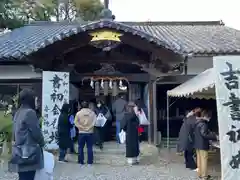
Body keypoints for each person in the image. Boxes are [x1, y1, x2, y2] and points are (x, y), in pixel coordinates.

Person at [9, 89, 44, 180]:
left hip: (19, 151)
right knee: (28, 177)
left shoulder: (18, 112)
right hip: (29, 152)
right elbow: (36, 133)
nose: (37, 102)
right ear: (30, 99)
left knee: (23, 177)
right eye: (36, 99)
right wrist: (42, 143)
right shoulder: (30, 112)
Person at [194, 109, 218, 180]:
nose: (209, 119)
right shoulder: (204, 124)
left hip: (197, 144)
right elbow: (204, 134)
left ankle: (200, 174)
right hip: (203, 145)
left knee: (199, 160)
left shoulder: (197, 123)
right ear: (206, 116)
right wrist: (214, 136)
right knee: (204, 160)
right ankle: (204, 176)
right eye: (209, 117)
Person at [74, 101, 96, 165]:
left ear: (81, 106)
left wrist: (81, 127)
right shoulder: (92, 113)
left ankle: (81, 161)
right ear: (88, 106)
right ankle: (90, 162)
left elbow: (75, 122)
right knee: (89, 147)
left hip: (81, 132)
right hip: (90, 132)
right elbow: (94, 122)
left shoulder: (78, 113)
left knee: (80, 147)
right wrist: (89, 127)